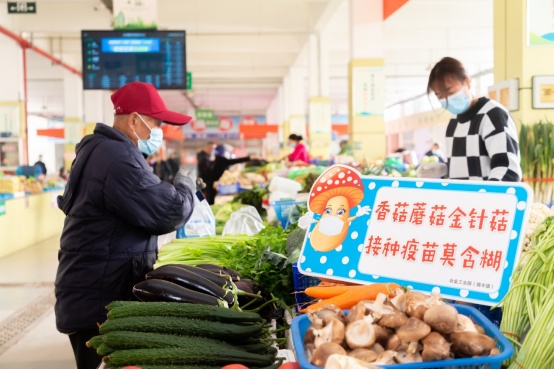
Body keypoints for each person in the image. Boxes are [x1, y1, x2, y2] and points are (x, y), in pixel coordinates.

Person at [54, 81, 197, 369]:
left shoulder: (103, 151)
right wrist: (185, 185)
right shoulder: (117, 158)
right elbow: (167, 212)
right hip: (98, 295)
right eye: (155, 124)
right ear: (134, 120)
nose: (158, 132)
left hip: (92, 286)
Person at [427, 57, 521, 181]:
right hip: (461, 199)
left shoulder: (492, 114)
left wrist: (484, 198)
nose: (446, 99)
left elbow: (507, 169)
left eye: (449, 92)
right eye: (439, 95)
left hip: (485, 199)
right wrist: (444, 170)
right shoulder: (454, 121)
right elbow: (469, 165)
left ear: (467, 82)